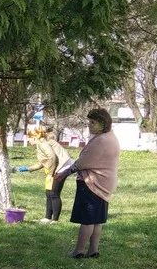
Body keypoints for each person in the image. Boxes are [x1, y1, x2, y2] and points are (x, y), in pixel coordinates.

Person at [51, 108, 120, 259]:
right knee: (97, 220)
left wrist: (64, 173)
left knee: (87, 220)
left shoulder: (101, 140)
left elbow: (83, 162)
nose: (89, 125)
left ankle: (78, 251)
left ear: (103, 123)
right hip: (104, 184)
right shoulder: (110, 137)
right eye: (89, 121)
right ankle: (93, 250)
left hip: (93, 184)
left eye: (93, 122)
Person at [13, 127, 74, 223]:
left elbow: (52, 157)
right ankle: (47, 217)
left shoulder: (42, 143)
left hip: (63, 167)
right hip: (57, 168)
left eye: (29, 138)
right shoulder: (41, 144)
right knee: (48, 192)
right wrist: (28, 168)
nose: (29, 141)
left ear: (33, 138)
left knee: (54, 193)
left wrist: (51, 173)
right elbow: (43, 162)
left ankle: (55, 220)